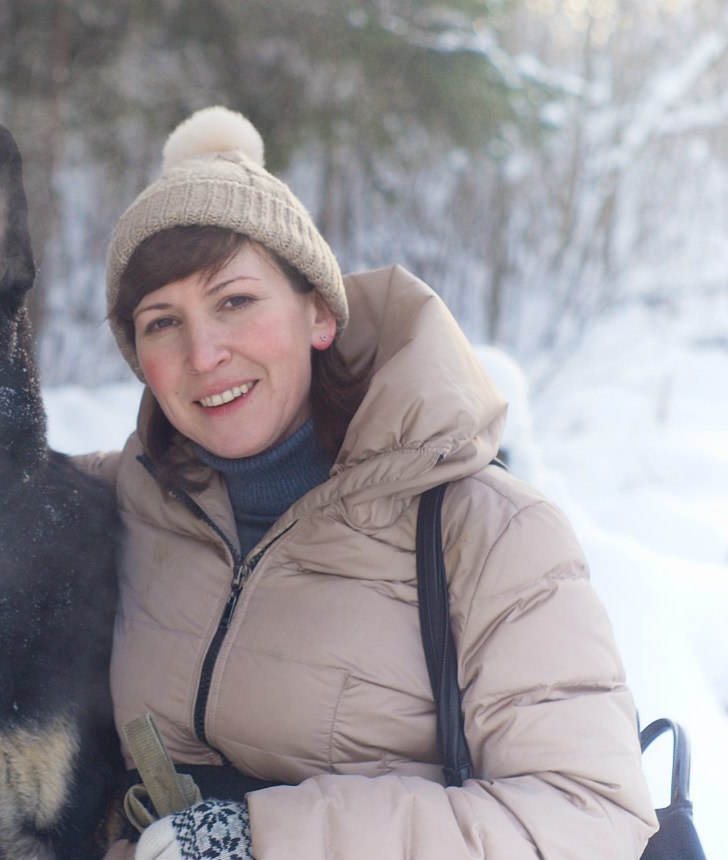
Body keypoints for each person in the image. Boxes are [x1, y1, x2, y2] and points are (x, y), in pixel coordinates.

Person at [90, 106, 658, 859]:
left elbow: (589, 815)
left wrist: (266, 839)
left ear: (320, 314)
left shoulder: (486, 531)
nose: (203, 354)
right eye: (162, 322)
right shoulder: (121, 500)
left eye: (235, 301)